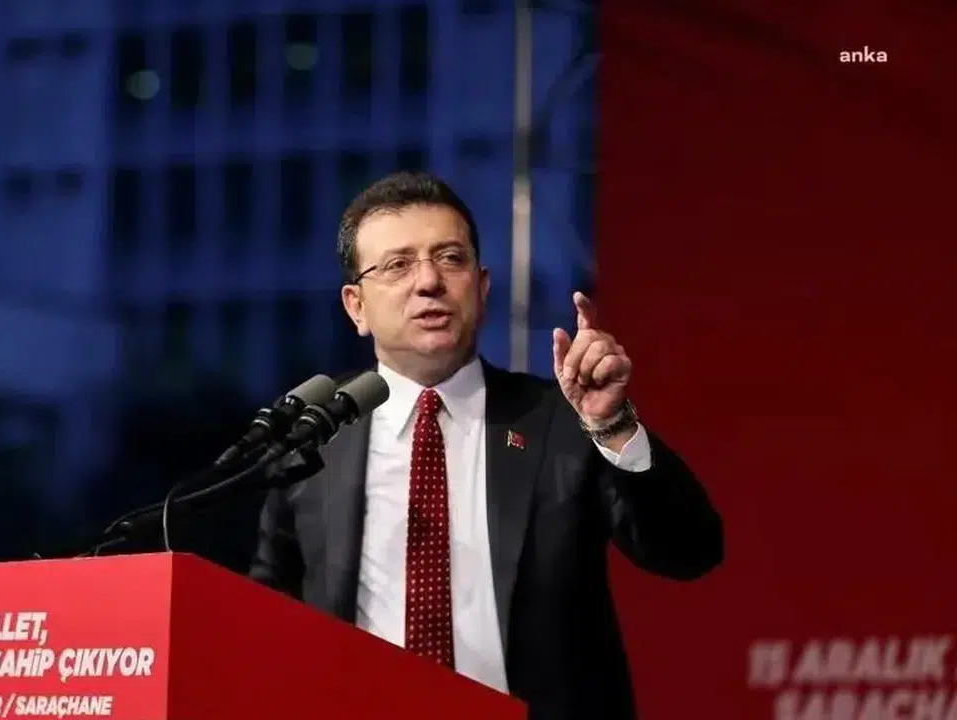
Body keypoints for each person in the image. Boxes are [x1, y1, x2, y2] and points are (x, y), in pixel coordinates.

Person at [248, 171, 723, 720]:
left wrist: (612, 424)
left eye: (450, 258)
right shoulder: (316, 439)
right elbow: (264, 617)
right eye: (398, 265)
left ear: (483, 285)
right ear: (356, 306)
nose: (429, 281)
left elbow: (689, 549)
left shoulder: (560, 421)